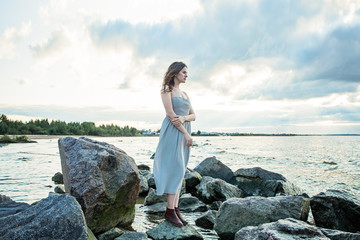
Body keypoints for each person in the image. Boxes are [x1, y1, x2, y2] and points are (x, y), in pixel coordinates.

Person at [153, 61, 196, 227]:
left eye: (187, 72)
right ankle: (169, 211)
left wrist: (185, 119)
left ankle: (176, 209)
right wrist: (186, 134)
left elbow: (193, 115)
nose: (186, 75)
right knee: (175, 168)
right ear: (176, 72)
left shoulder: (185, 94)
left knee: (181, 169)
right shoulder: (166, 89)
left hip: (184, 130)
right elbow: (171, 115)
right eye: (184, 72)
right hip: (173, 132)